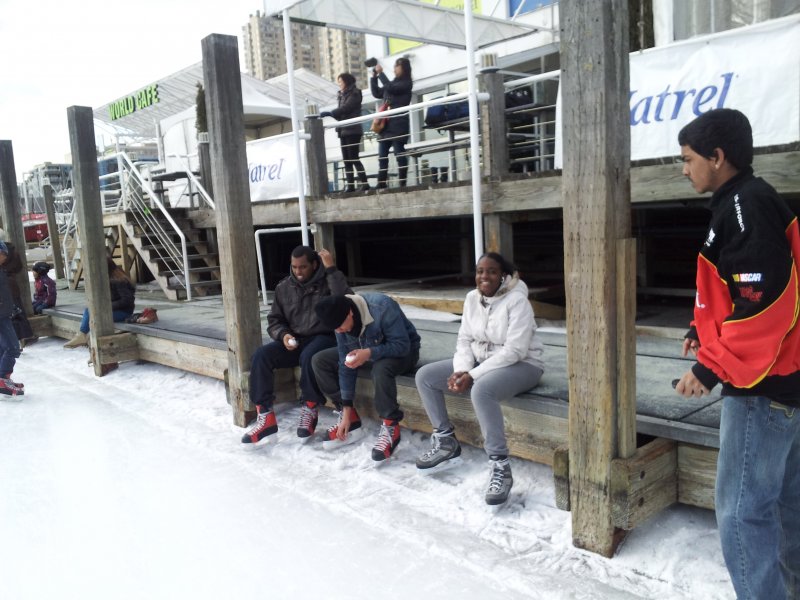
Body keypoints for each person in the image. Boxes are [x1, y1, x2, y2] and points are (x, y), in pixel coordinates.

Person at [674, 108, 800, 599]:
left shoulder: (746, 205)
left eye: (688, 159)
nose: (684, 168)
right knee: (785, 505)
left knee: (743, 514)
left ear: (717, 157)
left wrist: (711, 366)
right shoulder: (746, 201)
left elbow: (766, 301)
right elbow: (738, 287)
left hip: (760, 388)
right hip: (783, 380)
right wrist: (701, 328)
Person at [414, 253, 544, 505]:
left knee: (481, 390)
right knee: (426, 376)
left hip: (523, 365)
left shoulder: (518, 302)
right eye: (480, 271)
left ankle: (500, 465)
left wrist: (472, 375)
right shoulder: (472, 299)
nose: (484, 276)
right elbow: (464, 340)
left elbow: (515, 351)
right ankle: (445, 441)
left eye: (492, 271)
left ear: (503, 276)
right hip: (480, 361)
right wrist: (461, 369)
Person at [241, 246, 352, 445]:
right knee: (261, 355)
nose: (298, 271)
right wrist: (283, 335)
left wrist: (331, 269)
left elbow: (347, 300)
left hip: (324, 337)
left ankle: (310, 406)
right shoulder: (284, 287)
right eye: (294, 267)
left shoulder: (328, 282)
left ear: (314, 265)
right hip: (295, 340)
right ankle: (265, 417)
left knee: (309, 355)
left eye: (303, 267)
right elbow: (274, 320)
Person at [312, 292, 420, 462]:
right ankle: (350, 418)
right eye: (335, 329)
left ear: (350, 312)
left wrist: (369, 353)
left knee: (380, 369)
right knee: (320, 360)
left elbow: (402, 346)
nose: (338, 331)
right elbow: (345, 364)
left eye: (340, 326)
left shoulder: (382, 307)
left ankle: (391, 426)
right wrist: (346, 407)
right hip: (366, 351)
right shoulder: (339, 321)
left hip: (403, 353)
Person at [64, 257, 135, 348]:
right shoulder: (108, 278)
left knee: (94, 315)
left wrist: (107, 307)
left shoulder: (119, 280)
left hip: (124, 312)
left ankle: (84, 338)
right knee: (89, 311)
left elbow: (127, 300)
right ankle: (84, 337)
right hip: (113, 310)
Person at [320, 73, 369, 193]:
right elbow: (341, 112)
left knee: (353, 157)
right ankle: (350, 185)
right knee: (346, 159)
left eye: (341, 82)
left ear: (346, 81)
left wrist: (331, 113)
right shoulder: (341, 95)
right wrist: (333, 115)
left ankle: (365, 183)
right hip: (343, 130)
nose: (339, 84)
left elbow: (347, 108)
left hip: (353, 130)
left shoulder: (355, 93)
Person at [369, 57, 413, 189]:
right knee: (382, 156)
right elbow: (377, 93)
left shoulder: (406, 83)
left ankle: (402, 182)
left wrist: (381, 74)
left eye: (397, 66)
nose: (394, 69)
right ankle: (381, 182)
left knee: (399, 154)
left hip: (398, 123)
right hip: (386, 124)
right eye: (394, 66)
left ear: (404, 68)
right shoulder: (392, 83)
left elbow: (392, 88)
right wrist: (374, 77)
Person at [0, 229, 36, 347]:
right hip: (12, 284)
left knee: (9, 315)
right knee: (18, 312)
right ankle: (23, 338)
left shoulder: (6, 251)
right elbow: (19, 266)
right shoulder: (12, 250)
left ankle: (14, 341)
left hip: (6, 286)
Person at [0, 241, 23, 397]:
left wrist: (12, 307)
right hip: (1, 315)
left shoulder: (1, 270)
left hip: (4, 313)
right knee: (12, 347)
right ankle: (2, 379)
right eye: (3, 254)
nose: (5, 257)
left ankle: (3, 378)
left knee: (3, 347)